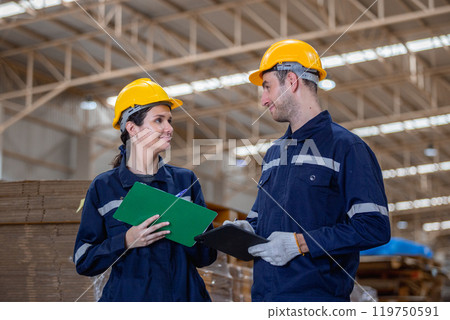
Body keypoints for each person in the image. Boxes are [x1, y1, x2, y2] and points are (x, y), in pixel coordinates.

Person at [226, 39, 390, 302]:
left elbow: (374, 227)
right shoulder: (273, 154)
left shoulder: (347, 148)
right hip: (265, 300)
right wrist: (246, 230)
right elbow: (262, 221)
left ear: (291, 81)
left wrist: (300, 243)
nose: (264, 100)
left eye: (267, 87)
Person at [73, 78, 217, 301]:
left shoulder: (185, 181)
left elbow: (206, 256)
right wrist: (125, 241)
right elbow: (83, 259)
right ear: (132, 128)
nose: (169, 128)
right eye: (159, 120)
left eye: (169, 120)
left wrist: (197, 233)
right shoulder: (104, 187)